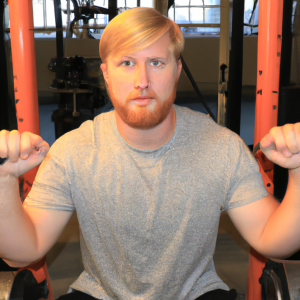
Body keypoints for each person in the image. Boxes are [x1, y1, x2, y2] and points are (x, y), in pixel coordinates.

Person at [0, 7, 300, 300]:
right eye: (127, 63)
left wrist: (299, 173)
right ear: (106, 74)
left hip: (197, 294)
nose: (142, 81)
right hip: (99, 293)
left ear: (177, 70)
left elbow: (273, 241)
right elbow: (25, 250)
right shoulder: (74, 150)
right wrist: (2, 179)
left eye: (156, 62)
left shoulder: (222, 147)